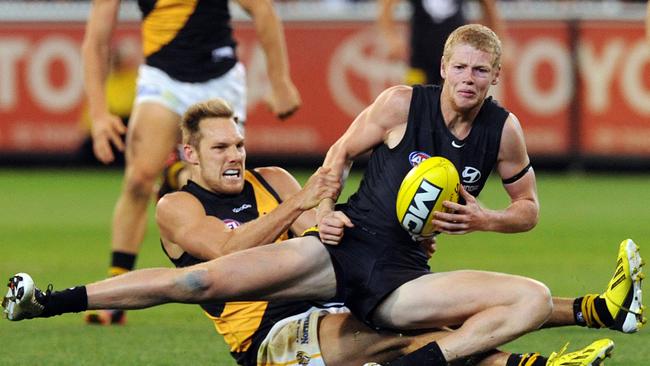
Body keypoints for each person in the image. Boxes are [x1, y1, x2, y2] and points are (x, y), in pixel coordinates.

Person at [3, 98, 644, 365]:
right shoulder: (177, 205)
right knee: (416, 336)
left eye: (241, 142)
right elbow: (216, 262)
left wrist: (363, 225)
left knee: (440, 321)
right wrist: (300, 209)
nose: (237, 155)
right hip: (272, 339)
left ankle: (595, 314)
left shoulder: (275, 176)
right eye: (221, 146)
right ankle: (52, 300)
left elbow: (319, 224)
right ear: (189, 155)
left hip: (333, 297)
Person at [81, 0, 301, 324]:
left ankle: (260, 283)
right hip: (163, 78)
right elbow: (96, 39)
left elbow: (262, 10)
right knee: (139, 177)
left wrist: (280, 80)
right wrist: (99, 114)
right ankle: (115, 294)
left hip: (220, 79)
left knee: (221, 179)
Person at [377, 0, 506, 86]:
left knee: (454, 102)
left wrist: (494, 45)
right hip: (420, 54)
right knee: (416, 100)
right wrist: (392, 40)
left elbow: (488, 6)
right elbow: (387, 6)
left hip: (456, 52)